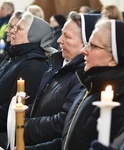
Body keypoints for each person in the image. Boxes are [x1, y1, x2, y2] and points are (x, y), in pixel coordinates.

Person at [26, 18, 124, 150]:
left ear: (113, 58)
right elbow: (68, 140)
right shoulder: (91, 85)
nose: (84, 50)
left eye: (93, 46)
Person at [23, 12, 100, 149]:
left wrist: (25, 126)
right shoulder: (58, 63)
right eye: (62, 33)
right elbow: (42, 105)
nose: (59, 40)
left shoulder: (82, 77)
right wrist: (21, 113)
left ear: (86, 44)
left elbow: (62, 123)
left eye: (67, 36)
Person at [0, 11, 55, 135]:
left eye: (18, 28)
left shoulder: (34, 66)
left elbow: (14, 112)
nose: (12, 31)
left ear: (32, 36)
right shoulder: (17, 57)